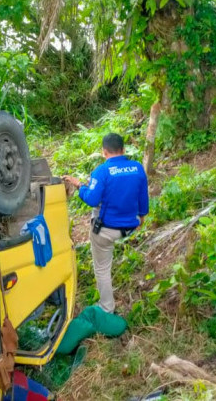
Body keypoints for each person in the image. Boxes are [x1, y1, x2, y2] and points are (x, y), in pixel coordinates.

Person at [62, 133, 148, 314]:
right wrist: (141, 218)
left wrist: (80, 186)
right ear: (123, 150)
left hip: (106, 231)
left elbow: (92, 200)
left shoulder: (101, 171)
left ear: (104, 152)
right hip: (129, 227)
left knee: (102, 269)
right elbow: (143, 198)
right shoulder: (138, 168)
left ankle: (106, 307)